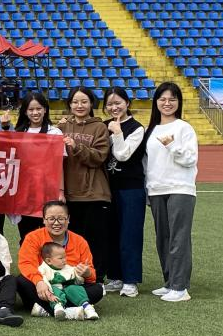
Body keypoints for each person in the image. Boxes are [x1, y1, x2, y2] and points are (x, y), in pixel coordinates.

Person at [143, 82, 198, 303]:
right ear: (156, 102)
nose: (167, 103)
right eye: (163, 99)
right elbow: (147, 164)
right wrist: (148, 189)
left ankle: (180, 287)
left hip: (180, 189)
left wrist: (172, 146)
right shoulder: (151, 130)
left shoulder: (184, 128)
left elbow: (190, 159)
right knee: (163, 238)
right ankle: (169, 282)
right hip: (157, 189)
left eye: (172, 99)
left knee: (178, 238)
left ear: (178, 102)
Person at [55, 87, 111, 281]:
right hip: (69, 194)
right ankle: (73, 275)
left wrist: (77, 146)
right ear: (69, 104)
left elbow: (100, 157)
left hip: (93, 193)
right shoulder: (62, 127)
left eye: (84, 101)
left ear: (91, 104)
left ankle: (97, 277)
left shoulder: (99, 127)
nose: (79, 105)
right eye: (75, 102)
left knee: (95, 239)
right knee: (71, 239)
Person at [16, 200, 103, 320]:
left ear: (68, 219)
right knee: (21, 281)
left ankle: (47, 309)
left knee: (97, 289)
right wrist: (39, 282)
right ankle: (72, 310)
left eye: (61, 219)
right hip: (45, 285)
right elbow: (26, 264)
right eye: (51, 219)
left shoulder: (79, 241)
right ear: (44, 220)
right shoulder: (33, 238)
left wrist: (87, 273)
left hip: (71, 287)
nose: (56, 223)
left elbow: (91, 276)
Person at [101, 86, 147, 298]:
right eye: (110, 104)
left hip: (131, 188)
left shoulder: (137, 128)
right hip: (107, 188)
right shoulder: (103, 126)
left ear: (127, 103)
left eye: (118, 103)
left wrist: (117, 133)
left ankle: (130, 280)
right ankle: (115, 276)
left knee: (130, 234)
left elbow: (122, 155)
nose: (114, 107)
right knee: (110, 233)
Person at [12, 91, 63, 241]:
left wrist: (61, 191)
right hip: (25, 193)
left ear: (45, 109)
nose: (35, 113)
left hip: (48, 191)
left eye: (39, 108)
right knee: (27, 236)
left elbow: (59, 165)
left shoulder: (54, 132)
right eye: (31, 109)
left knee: (50, 236)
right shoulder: (19, 133)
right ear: (25, 112)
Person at [38, 242, 99, 320]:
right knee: (54, 290)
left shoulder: (68, 268)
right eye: (60, 258)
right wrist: (50, 294)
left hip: (68, 291)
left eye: (65, 257)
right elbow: (44, 282)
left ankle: (87, 307)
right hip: (53, 294)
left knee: (74, 288)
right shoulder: (43, 269)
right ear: (49, 261)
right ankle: (58, 309)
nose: (64, 260)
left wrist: (79, 275)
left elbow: (78, 282)